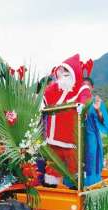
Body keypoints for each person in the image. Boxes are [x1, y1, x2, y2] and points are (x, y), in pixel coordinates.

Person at [43, 54, 95, 186]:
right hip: (53, 139)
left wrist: (81, 106)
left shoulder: (82, 88)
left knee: (74, 168)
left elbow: (85, 99)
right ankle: (53, 190)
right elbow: (44, 97)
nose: (64, 75)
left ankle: (75, 194)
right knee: (53, 168)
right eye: (63, 71)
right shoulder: (56, 87)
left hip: (71, 139)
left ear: (74, 72)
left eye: (67, 72)